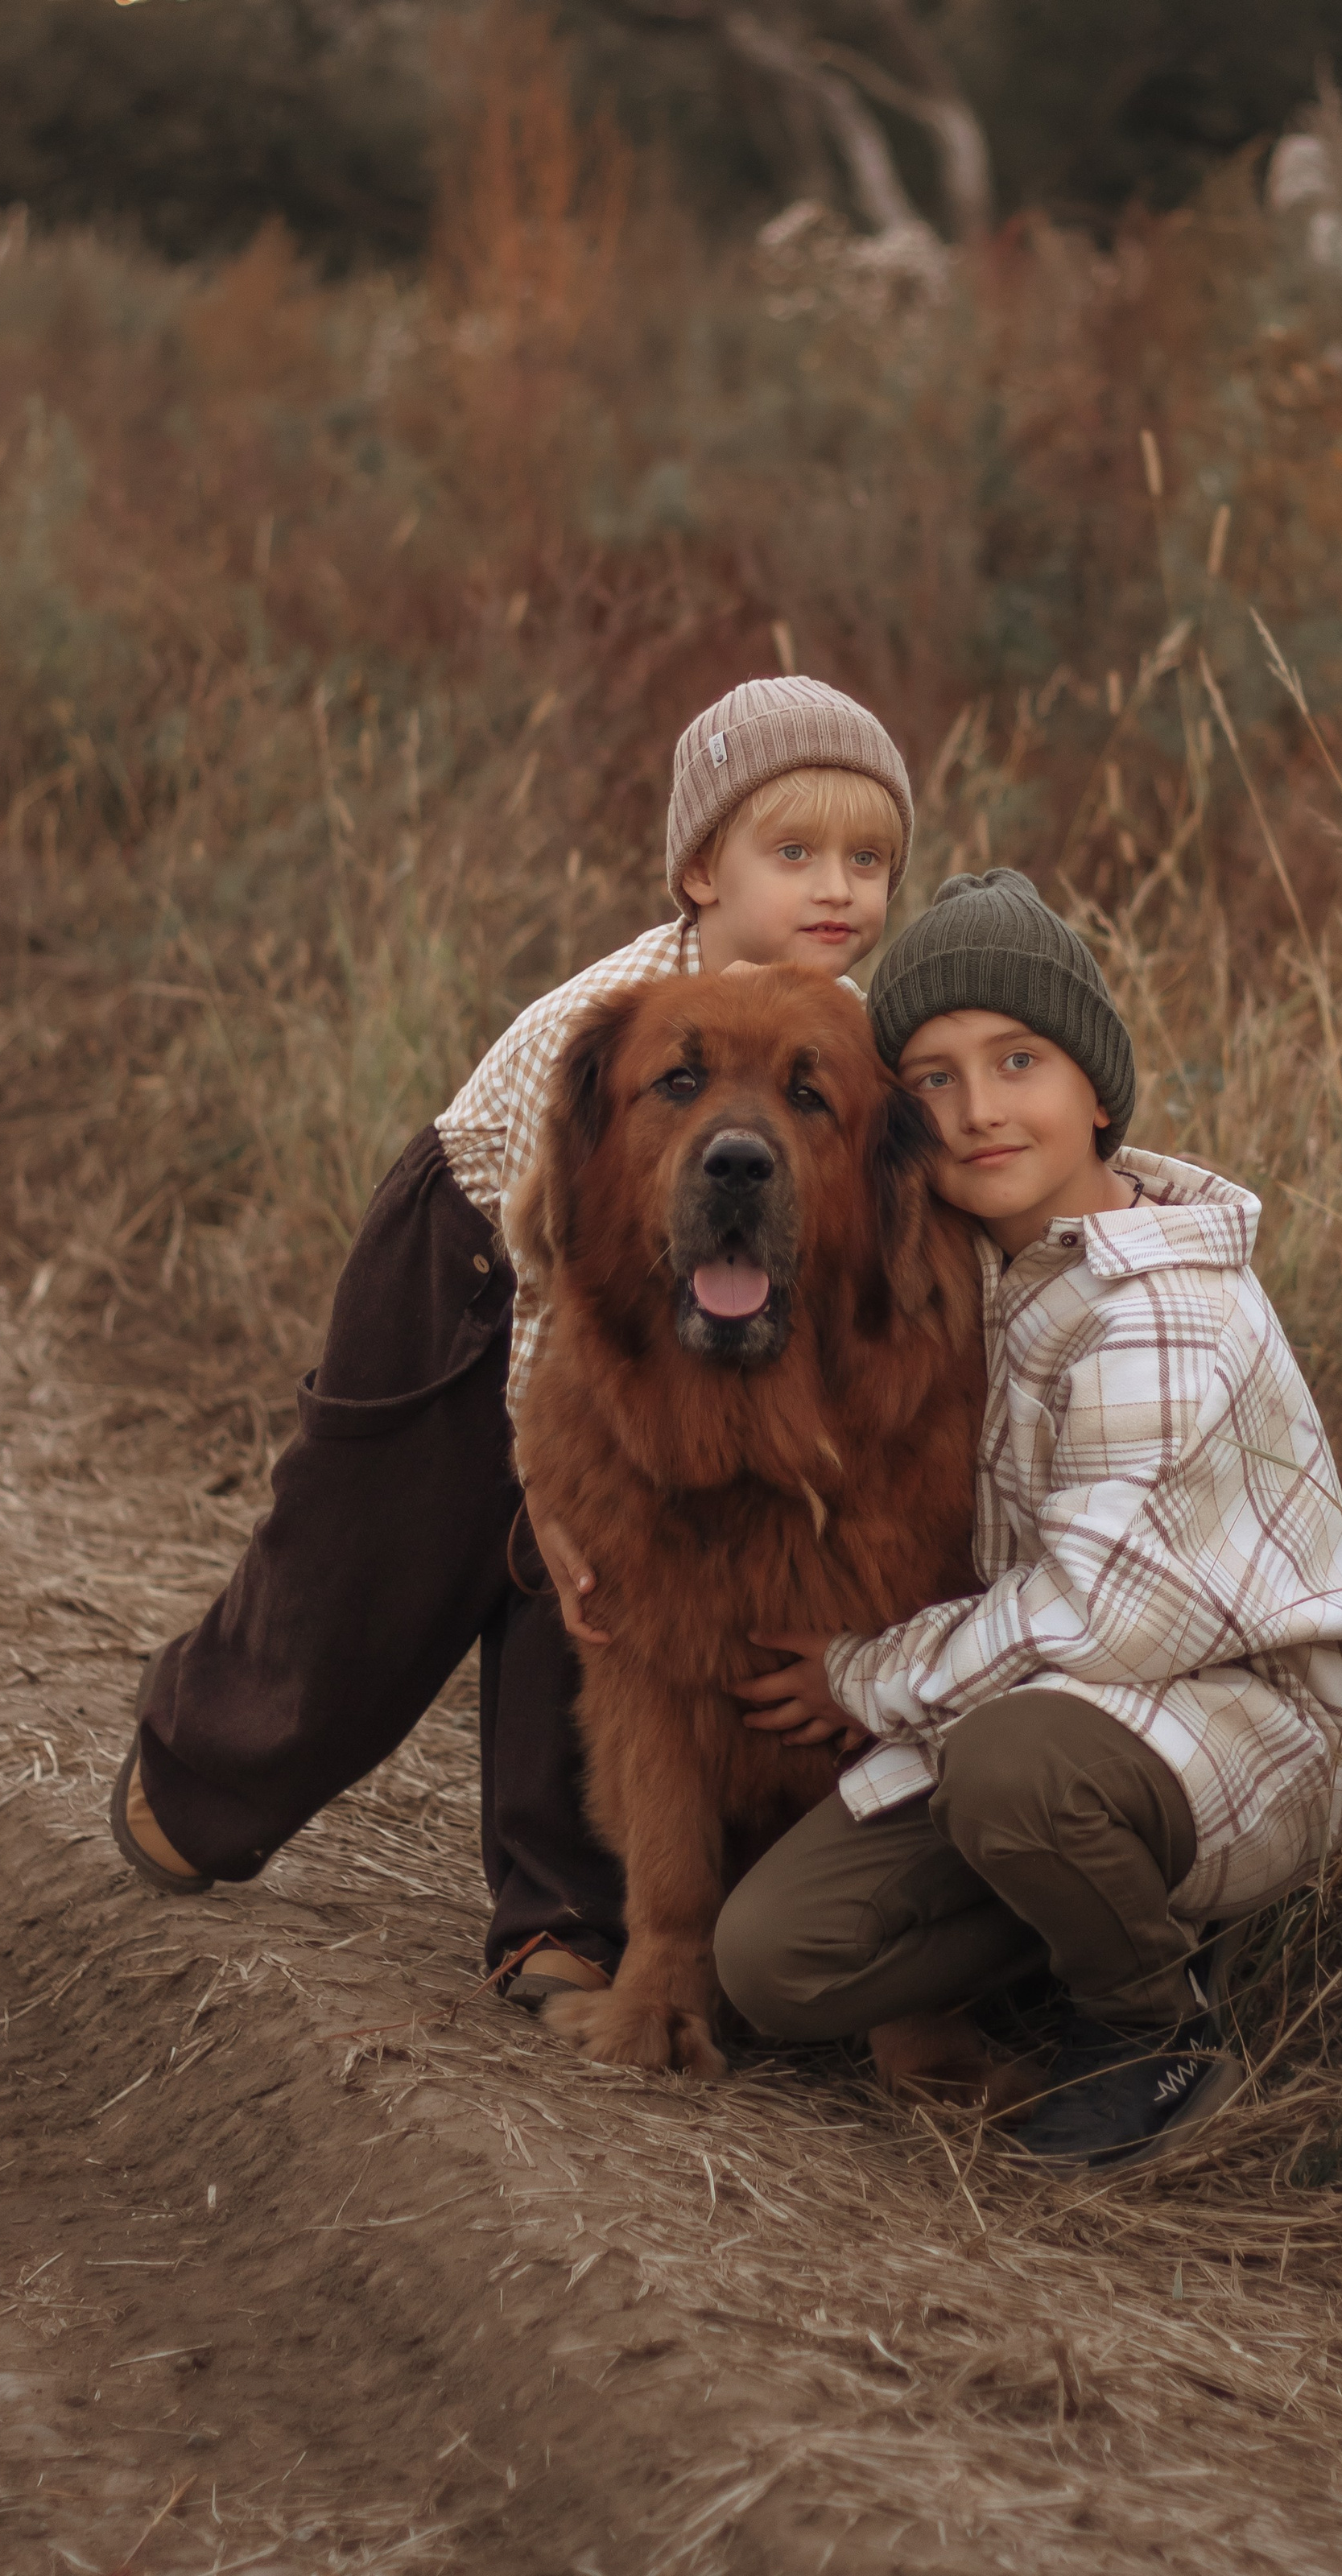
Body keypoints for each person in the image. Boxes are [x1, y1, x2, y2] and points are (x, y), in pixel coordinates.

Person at [109, 675, 916, 2008]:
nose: (838, 888)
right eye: (795, 853)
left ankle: (558, 1920)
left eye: (869, 859)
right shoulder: (600, 1027)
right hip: (475, 1259)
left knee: (598, 1580)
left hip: (657, 1290)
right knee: (374, 1560)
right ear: (699, 870)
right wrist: (536, 1477)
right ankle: (200, 1777)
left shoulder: (830, 1024)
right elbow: (560, 1263)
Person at [711, 868, 1342, 2168]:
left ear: (1094, 1090)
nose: (977, 1111)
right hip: (1040, 1720)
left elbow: (1097, 1617)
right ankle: (1067, 1927)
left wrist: (863, 1675)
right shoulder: (986, 1264)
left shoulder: (1160, 1313)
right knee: (771, 1964)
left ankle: (1151, 2028)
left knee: (1019, 1772)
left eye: (1016, 1060)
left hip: (1238, 1724)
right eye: (931, 1079)